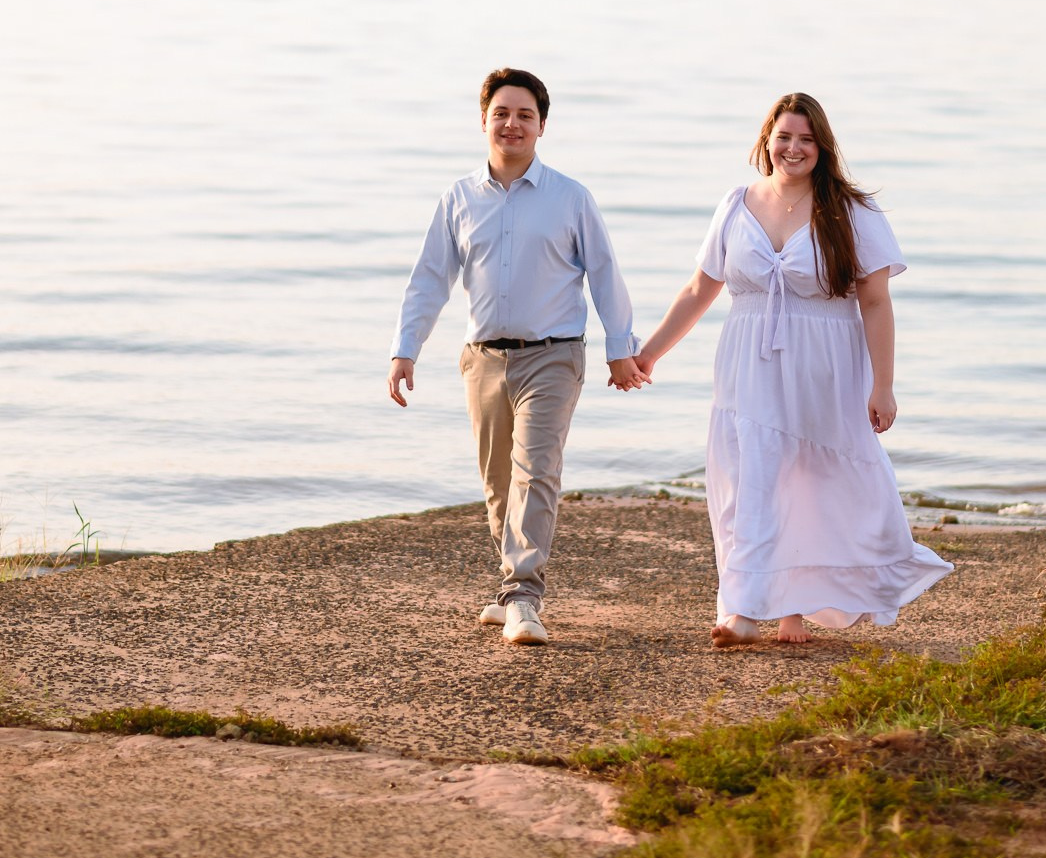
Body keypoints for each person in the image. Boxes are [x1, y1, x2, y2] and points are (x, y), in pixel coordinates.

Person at [633, 93, 950, 646]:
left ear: (822, 147)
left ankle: (791, 609)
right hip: (747, 364)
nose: (793, 148)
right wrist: (649, 353)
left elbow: (875, 302)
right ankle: (744, 608)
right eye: (784, 136)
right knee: (750, 478)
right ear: (766, 140)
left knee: (813, 482)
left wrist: (884, 386)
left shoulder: (851, 212)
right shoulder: (736, 204)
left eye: (806, 139)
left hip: (824, 366)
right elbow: (699, 288)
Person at [389, 68, 644, 646]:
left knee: (537, 472)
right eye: (502, 113)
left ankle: (525, 596)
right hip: (481, 359)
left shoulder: (570, 198)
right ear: (484, 121)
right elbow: (431, 279)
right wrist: (406, 350)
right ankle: (511, 585)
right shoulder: (458, 198)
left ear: (542, 126)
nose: (512, 124)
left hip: (552, 356)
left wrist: (620, 351)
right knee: (499, 481)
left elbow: (606, 275)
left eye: (525, 115)